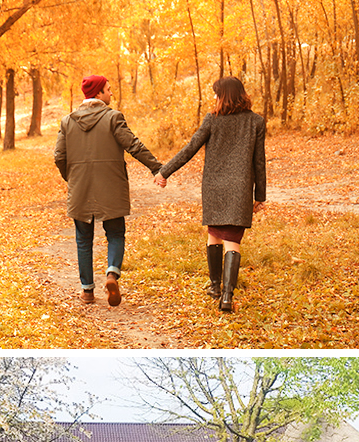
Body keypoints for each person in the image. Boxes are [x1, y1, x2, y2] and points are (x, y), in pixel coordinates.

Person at [155, 76, 267, 312]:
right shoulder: (256, 122)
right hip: (240, 188)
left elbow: (190, 148)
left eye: (216, 93)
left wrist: (165, 171)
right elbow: (259, 162)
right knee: (232, 240)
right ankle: (226, 296)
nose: (214, 98)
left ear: (224, 96)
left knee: (215, 234)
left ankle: (215, 286)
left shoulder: (212, 120)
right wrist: (260, 195)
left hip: (214, 187)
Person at [54, 75, 162, 307]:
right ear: (99, 93)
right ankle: (112, 274)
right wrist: (157, 168)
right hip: (111, 187)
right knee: (115, 233)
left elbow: (59, 157)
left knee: (84, 239)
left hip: (80, 188)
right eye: (108, 90)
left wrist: (72, 178)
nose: (111, 94)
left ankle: (87, 292)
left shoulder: (67, 121)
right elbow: (133, 145)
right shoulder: (113, 118)